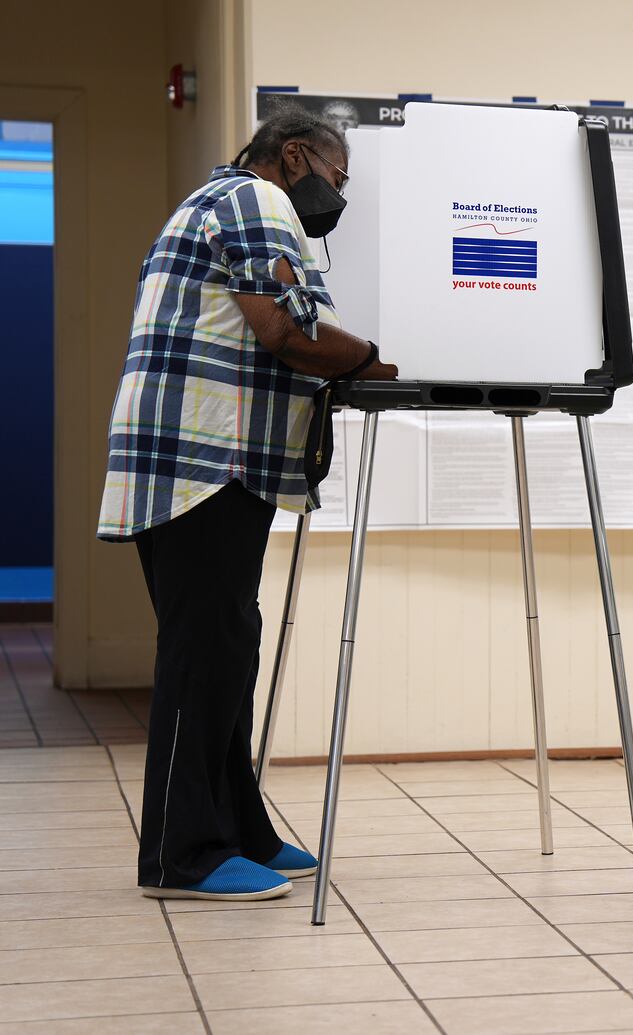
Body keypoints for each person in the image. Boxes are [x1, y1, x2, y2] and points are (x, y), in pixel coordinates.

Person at [98, 109, 397, 901]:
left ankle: (240, 831)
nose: (335, 197)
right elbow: (288, 333)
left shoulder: (211, 203)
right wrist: (373, 360)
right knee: (205, 652)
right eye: (334, 179)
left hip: (196, 459)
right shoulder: (256, 202)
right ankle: (178, 854)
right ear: (293, 155)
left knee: (225, 645)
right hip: (206, 459)